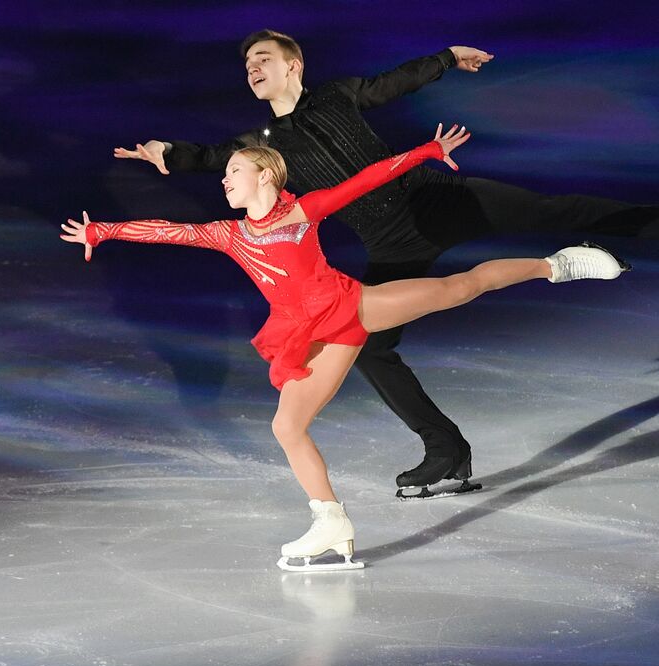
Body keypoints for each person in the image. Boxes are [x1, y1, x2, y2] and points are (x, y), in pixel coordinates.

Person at [115, 30, 659, 498]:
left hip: (438, 199)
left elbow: (391, 83)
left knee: (554, 210)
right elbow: (209, 157)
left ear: (293, 65)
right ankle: (446, 450)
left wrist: (447, 57)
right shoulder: (260, 144)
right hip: (393, 243)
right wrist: (169, 152)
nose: (254, 68)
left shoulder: (336, 96)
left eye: (264, 59)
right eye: (248, 65)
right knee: (371, 346)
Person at [63, 126, 628, 570]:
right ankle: (330, 521)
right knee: (287, 427)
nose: (225, 181)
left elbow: (367, 178)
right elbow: (166, 231)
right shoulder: (230, 234)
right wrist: (102, 231)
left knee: (460, 288)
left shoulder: (300, 212)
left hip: (350, 308)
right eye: (225, 174)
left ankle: (558, 264)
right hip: (307, 333)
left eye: (235, 172)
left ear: (265, 175)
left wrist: (425, 151)